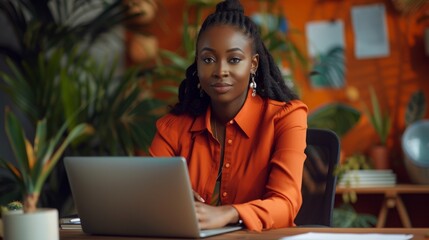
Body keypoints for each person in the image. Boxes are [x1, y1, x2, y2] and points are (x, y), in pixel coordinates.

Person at [149, 0, 307, 232]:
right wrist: (170, 201)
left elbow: (285, 204)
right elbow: (148, 196)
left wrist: (228, 213)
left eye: (234, 60)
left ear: (253, 64)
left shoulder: (286, 117)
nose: (220, 71)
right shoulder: (173, 126)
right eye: (208, 59)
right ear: (197, 63)